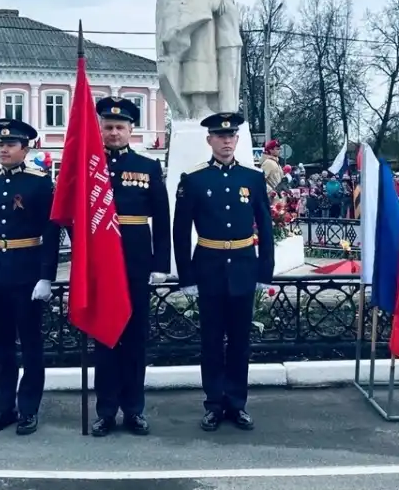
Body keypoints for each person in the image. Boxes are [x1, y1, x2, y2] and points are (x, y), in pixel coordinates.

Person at [172, 112, 274, 432]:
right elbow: (180, 231)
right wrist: (186, 277)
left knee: (241, 341)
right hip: (209, 267)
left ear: (237, 140)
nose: (226, 141)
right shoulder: (194, 179)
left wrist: (264, 271)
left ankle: (237, 403)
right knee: (212, 341)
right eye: (220, 136)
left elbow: (266, 227)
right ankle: (214, 403)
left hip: (244, 266)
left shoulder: (253, 179)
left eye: (231, 136)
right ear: (210, 140)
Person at [0, 118, 60, 436]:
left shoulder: (40, 185)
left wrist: (46, 276)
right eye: (0, 144)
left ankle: (29, 409)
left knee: (31, 344)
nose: (3, 149)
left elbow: (51, 234)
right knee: (2, 345)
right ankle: (4, 407)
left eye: (10, 144)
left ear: (26, 148)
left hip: (27, 271)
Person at [89, 97, 171, 437]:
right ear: (101, 130)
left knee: (136, 338)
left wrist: (161, 263)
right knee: (105, 337)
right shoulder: (89, 167)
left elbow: (162, 219)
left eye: (120, 127)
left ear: (131, 130)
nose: (113, 132)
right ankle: (106, 410)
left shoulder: (148, 167)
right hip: (101, 263)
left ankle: (134, 410)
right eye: (108, 127)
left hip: (136, 260)